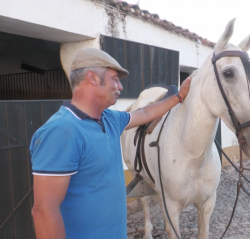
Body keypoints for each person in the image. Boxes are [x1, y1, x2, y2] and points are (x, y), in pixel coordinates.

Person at [30, 48, 191, 239]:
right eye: (115, 79)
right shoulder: (62, 131)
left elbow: (146, 114)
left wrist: (179, 96)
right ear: (93, 78)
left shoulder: (110, 119)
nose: (120, 87)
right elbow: (44, 210)